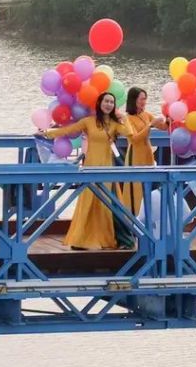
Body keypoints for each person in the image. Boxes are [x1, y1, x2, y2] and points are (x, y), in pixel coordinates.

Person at [41, 91, 132, 250]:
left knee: (110, 204)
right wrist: (47, 133)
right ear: (99, 103)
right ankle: (82, 240)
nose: (108, 104)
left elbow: (129, 133)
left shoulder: (115, 124)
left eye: (111, 102)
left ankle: (122, 240)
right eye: (106, 101)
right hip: (91, 166)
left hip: (106, 168)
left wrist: (124, 118)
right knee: (88, 203)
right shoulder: (88, 122)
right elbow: (68, 130)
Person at [116, 87, 166, 219]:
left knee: (150, 186)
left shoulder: (146, 115)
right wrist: (150, 125)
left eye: (145, 99)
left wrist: (169, 118)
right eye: (142, 99)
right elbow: (134, 139)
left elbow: (163, 127)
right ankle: (133, 218)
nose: (144, 102)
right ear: (134, 100)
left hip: (147, 154)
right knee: (136, 189)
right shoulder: (127, 118)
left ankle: (149, 217)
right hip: (135, 156)